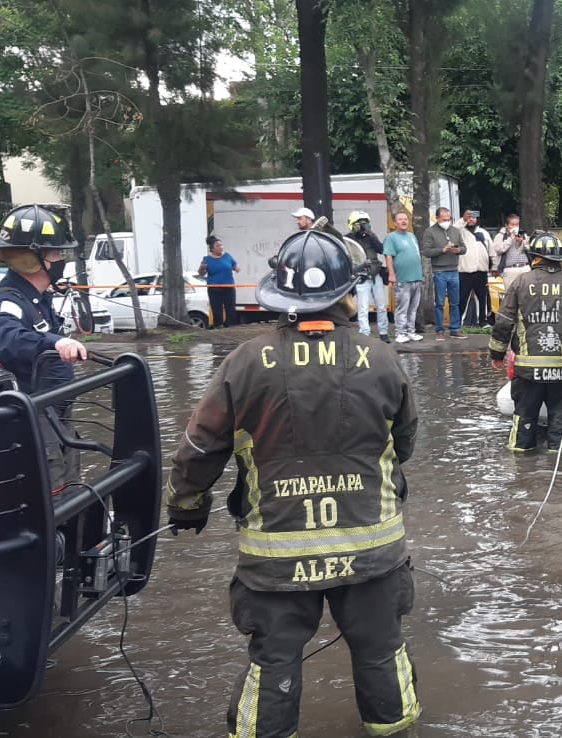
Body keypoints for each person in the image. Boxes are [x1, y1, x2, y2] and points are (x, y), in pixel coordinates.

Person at [165, 229, 421, 738]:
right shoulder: (383, 358)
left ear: (282, 298)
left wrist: (187, 502)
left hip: (276, 556)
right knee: (380, 652)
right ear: (348, 292)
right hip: (371, 552)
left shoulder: (244, 362)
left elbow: (199, 446)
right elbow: (404, 444)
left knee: (274, 660)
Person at [0, 204, 89, 392]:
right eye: (56, 253)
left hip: (52, 412)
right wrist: (56, 342)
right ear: (30, 260)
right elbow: (7, 340)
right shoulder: (7, 302)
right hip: (28, 415)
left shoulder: (38, 297)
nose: (61, 260)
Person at [489, 232, 562, 452]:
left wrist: (497, 355)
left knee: (524, 421)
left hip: (528, 371)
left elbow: (504, 322)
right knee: (560, 421)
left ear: (534, 257)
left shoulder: (521, 282)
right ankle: (561, 469)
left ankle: (522, 473)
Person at [420, 207, 466, 340]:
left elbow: (464, 247)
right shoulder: (430, 232)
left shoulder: (455, 231)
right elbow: (427, 251)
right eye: (444, 218)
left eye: (449, 218)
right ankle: (439, 330)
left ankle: (455, 329)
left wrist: (459, 250)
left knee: (455, 302)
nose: (447, 221)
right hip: (439, 271)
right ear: (437, 218)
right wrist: (442, 250)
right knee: (439, 302)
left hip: (454, 270)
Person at [348, 211, 392, 341]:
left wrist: (371, 235)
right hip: (361, 275)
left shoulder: (371, 237)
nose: (363, 226)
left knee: (381, 305)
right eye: (360, 223)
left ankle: (383, 333)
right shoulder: (349, 239)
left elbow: (381, 249)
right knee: (363, 307)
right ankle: (364, 333)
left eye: (365, 223)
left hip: (375, 274)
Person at [382, 211, 424, 343]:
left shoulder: (412, 236)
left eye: (405, 219)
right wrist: (391, 274)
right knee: (402, 307)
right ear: (395, 223)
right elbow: (388, 256)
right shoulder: (391, 237)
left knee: (413, 308)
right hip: (402, 279)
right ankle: (400, 332)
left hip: (416, 277)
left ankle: (411, 332)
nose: (404, 221)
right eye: (400, 219)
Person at [458, 210, 493, 327]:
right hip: (465, 271)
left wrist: (494, 266)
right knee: (462, 298)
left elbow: (491, 250)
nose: (471, 219)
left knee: (482, 298)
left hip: (481, 271)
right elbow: (453, 228)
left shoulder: (483, 232)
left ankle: (483, 321)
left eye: (473, 217)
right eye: (469, 217)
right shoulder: (460, 231)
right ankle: (458, 322)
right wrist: (463, 220)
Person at [198, 234, 240, 328]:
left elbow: (235, 266)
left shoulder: (227, 256)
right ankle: (218, 326)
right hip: (214, 289)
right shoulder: (207, 259)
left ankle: (230, 326)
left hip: (229, 288)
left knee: (230, 309)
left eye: (221, 245)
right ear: (212, 249)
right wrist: (202, 268)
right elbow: (201, 273)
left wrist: (236, 268)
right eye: (218, 246)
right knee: (217, 310)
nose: (221, 247)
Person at [492, 214, 532, 291]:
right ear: (506, 225)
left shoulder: (524, 235)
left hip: (525, 268)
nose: (515, 227)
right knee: (510, 295)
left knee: (526, 294)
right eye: (512, 225)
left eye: (517, 224)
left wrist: (522, 242)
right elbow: (499, 249)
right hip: (510, 270)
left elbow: (530, 249)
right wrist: (511, 239)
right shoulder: (501, 236)